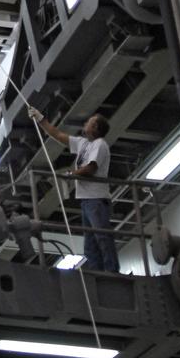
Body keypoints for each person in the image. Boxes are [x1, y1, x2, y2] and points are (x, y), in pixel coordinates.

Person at [29, 107, 120, 273]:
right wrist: (41, 119)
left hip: (96, 199)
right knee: (90, 243)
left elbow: (91, 168)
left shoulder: (100, 145)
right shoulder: (84, 144)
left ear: (95, 128)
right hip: (87, 200)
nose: (85, 123)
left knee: (101, 237)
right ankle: (97, 273)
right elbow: (57, 135)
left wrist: (71, 175)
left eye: (89, 122)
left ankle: (111, 270)